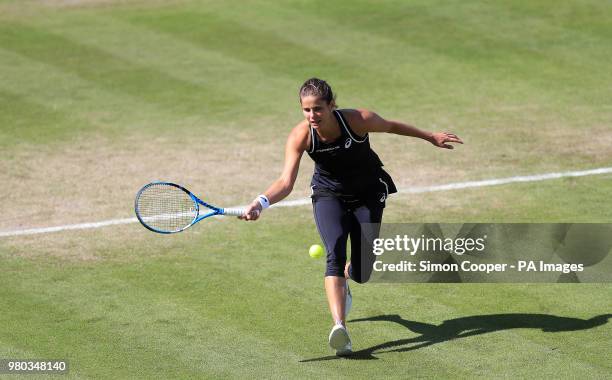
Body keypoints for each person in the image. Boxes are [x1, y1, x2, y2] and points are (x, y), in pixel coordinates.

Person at [239, 78, 463, 356]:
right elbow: (286, 181)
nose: (312, 116)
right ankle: (339, 329)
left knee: (362, 271)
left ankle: (349, 276)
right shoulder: (301, 135)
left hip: (368, 194)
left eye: (318, 109)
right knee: (333, 253)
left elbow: (391, 126)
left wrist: (430, 136)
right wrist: (260, 203)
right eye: (306, 110)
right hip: (328, 194)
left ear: (332, 105)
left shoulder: (357, 120)